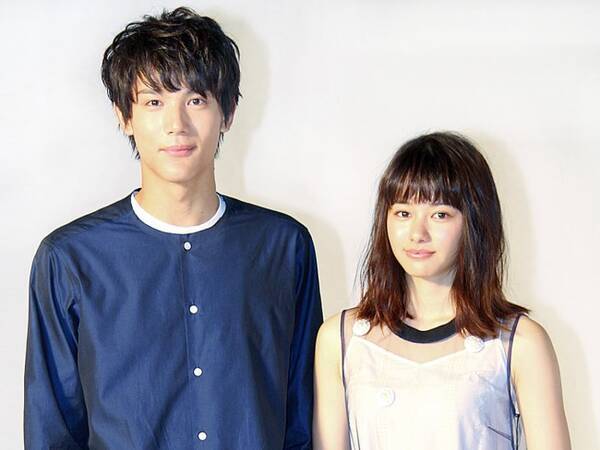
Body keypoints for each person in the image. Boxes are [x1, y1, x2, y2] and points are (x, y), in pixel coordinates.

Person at [24, 7, 322, 449]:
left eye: (196, 100)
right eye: (154, 102)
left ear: (228, 112)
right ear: (124, 116)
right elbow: (52, 430)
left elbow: (303, 418)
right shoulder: (69, 259)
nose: (176, 125)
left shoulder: (282, 247)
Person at [313, 132, 570, 450]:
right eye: (403, 213)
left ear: (474, 221)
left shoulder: (519, 342)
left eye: (440, 215)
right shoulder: (341, 339)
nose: (417, 233)